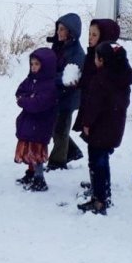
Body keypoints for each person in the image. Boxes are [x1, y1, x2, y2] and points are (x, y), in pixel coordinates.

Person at [74, 41, 132, 214]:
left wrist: (86, 123)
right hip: (114, 127)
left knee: (97, 162)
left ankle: (99, 200)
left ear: (103, 60)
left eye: (96, 57)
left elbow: (93, 105)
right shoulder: (122, 78)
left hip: (99, 129)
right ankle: (103, 191)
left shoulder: (101, 80)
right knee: (103, 161)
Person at [14, 48, 59, 192]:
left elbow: (38, 104)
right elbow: (20, 91)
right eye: (32, 64)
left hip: (41, 123)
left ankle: (40, 178)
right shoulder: (31, 80)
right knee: (28, 149)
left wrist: (25, 101)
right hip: (29, 121)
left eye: (37, 64)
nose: (33, 67)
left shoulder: (49, 85)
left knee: (36, 152)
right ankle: (31, 173)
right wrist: (27, 98)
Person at [47, 13, 86, 170]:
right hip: (55, 94)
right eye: (58, 28)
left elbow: (69, 78)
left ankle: (57, 162)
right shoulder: (58, 46)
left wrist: (50, 79)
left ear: (71, 31)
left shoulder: (77, 53)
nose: (58, 32)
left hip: (68, 97)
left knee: (61, 129)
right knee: (52, 126)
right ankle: (72, 151)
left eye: (62, 29)